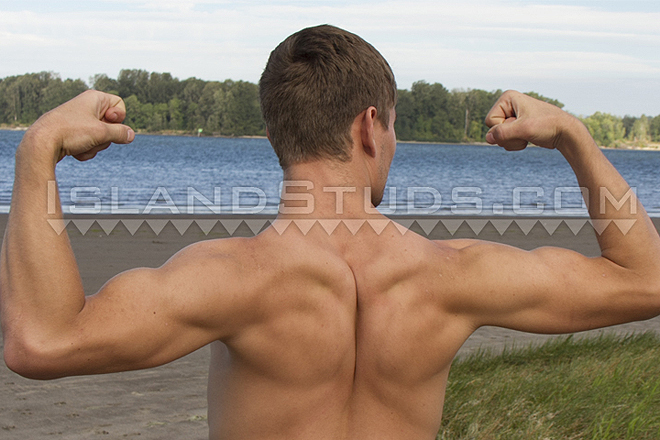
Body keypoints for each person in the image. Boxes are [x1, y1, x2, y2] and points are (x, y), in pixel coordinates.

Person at [2, 24, 660, 440]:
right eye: (394, 127)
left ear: (274, 135)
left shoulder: (230, 278)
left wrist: (39, 151)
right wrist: (572, 136)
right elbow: (646, 280)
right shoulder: (454, 274)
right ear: (370, 126)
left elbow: (43, 341)